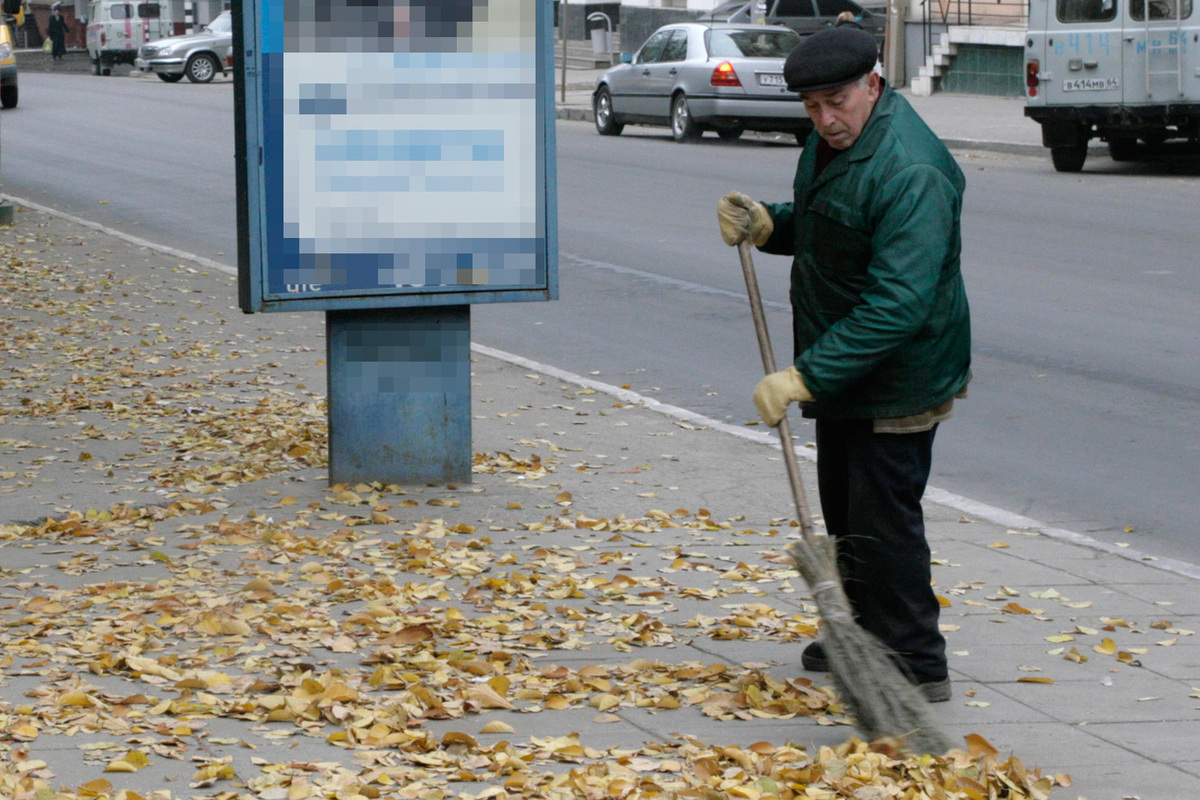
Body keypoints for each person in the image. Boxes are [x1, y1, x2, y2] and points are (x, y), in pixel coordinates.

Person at [716, 25, 971, 703]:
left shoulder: (910, 169)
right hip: (844, 369)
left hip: (896, 377)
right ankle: (860, 631)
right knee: (846, 510)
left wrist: (806, 377)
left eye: (837, 101)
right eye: (812, 107)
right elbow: (833, 221)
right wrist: (773, 224)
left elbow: (898, 305)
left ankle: (916, 657)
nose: (826, 119)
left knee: (884, 523)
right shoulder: (838, 145)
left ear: (872, 85)